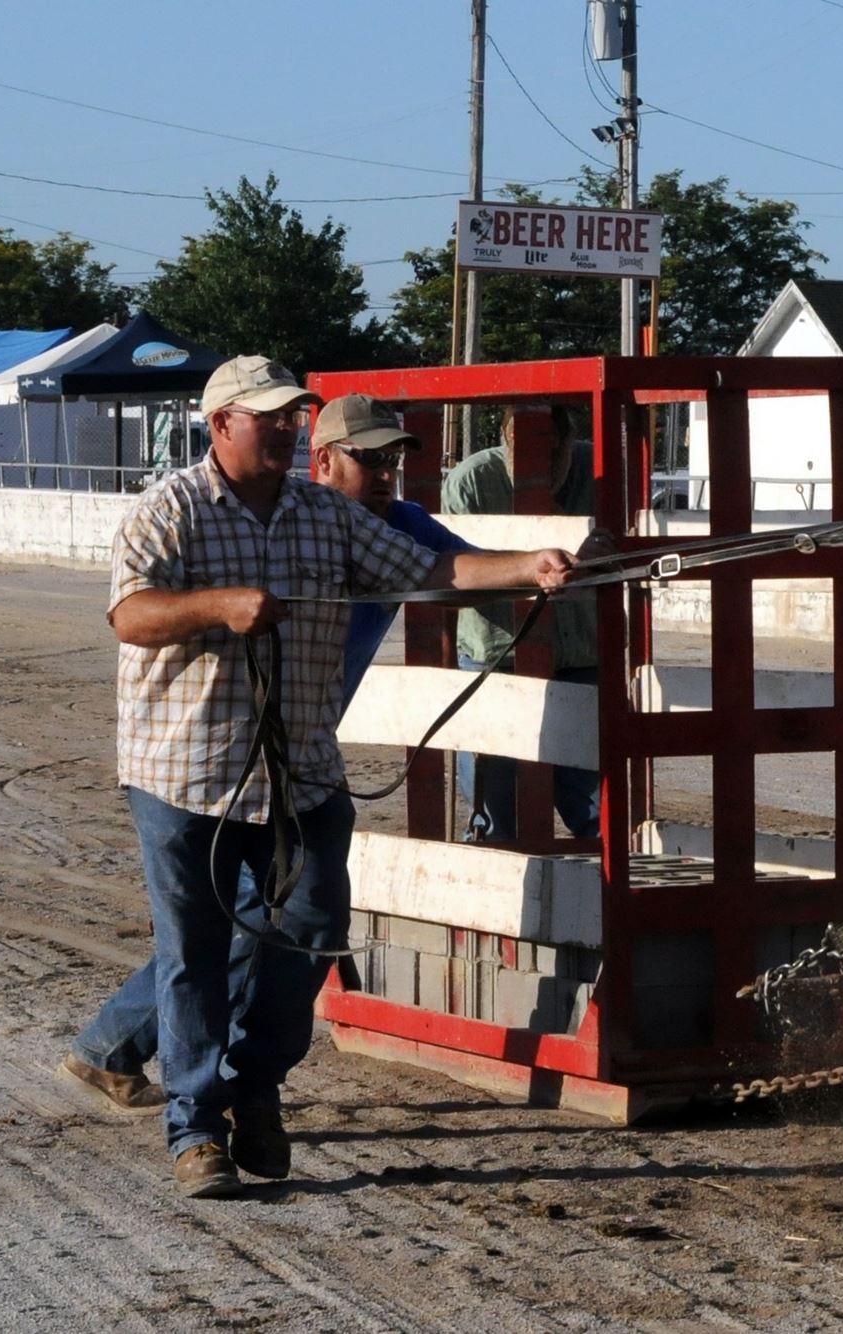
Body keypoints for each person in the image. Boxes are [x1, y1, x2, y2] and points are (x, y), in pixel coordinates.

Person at [91, 356, 576, 1198]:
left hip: (302, 772)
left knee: (311, 931)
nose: (288, 426)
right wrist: (219, 605)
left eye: (294, 415)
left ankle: (256, 1086)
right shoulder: (166, 510)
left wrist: (526, 564)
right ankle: (196, 1131)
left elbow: (429, 569)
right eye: (272, 416)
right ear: (222, 425)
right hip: (185, 775)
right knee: (195, 956)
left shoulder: (327, 517)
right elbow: (132, 615)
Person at [59, 394, 482, 1127]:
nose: (385, 474)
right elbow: (131, 613)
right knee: (226, 927)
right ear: (323, 462)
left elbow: (457, 568)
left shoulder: (389, 525)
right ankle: (177, 1083)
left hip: (301, 754)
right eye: (367, 458)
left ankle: (138, 1052)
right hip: (208, 753)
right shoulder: (219, 511)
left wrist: (558, 566)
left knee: (285, 922)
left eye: (394, 460)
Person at [442, 406, 602, 842]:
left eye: (553, 446)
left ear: (567, 440)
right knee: (498, 814)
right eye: (525, 443)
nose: (541, 459)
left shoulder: (596, 467)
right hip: (500, 655)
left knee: (598, 810)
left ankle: (598, 902)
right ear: (505, 437)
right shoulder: (472, 481)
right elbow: (452, 568)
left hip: (579, 654)